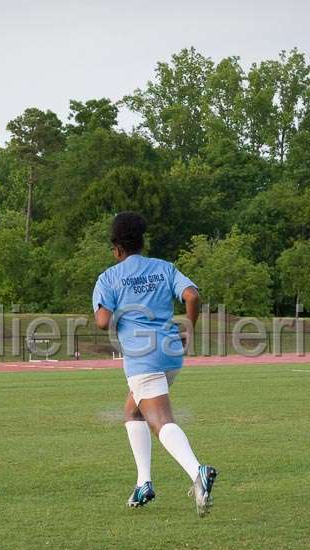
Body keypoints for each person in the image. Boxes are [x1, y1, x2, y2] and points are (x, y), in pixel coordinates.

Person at [92, 211, 218, 517]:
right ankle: (143, 482)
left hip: (142, 357)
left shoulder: (109, 277)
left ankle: (197, 472)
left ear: (116, 248)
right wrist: (189, 325)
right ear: (142, 241)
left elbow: (102, 321)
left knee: (160, 419)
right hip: (171, 353)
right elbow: (192, 295)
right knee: (132, 411)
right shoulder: (164, 268)